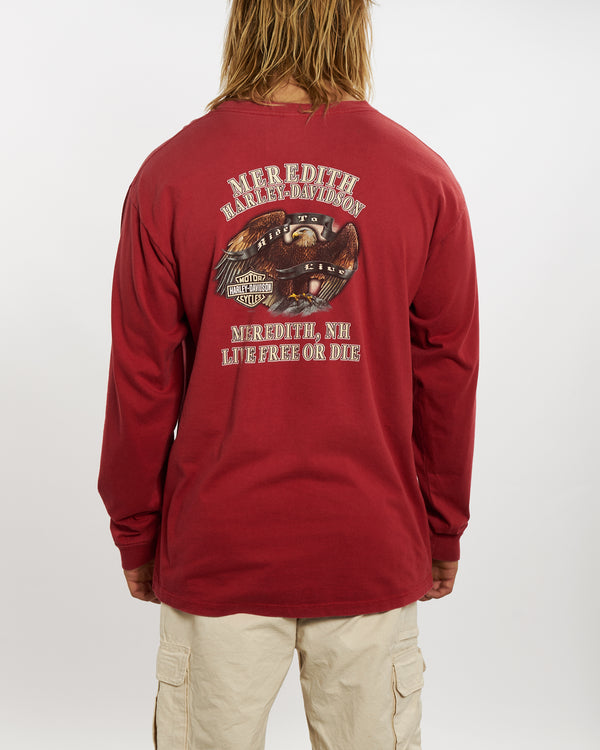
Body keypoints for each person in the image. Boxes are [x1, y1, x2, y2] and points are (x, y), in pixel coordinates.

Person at [97, 0, 479, 747]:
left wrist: (137, 529)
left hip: (217, 546)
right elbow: (449, 370)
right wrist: (442, 525)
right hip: (370, 540)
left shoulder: (171, 175)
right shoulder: (420, 175)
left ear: (244, 22)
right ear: (353, 24)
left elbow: (141, 376)